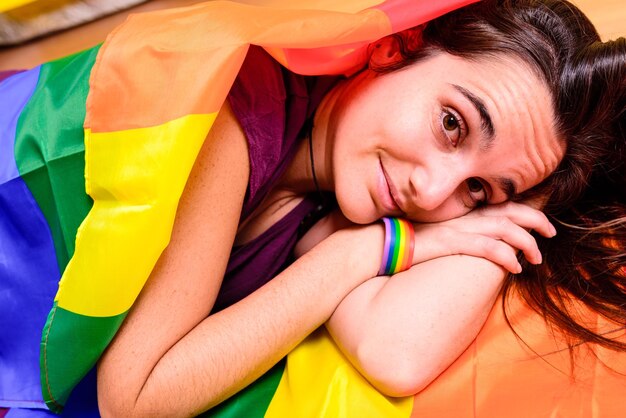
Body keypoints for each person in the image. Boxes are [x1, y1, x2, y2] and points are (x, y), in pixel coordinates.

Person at [0, 0, 623, 417]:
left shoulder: (334, 195)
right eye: (453, 124)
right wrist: (359, 254)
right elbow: (134, 399)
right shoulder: (231, 113)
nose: (434, 194)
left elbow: (397, 352)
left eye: (480, 192)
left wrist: (541, 186)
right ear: (396, 47)